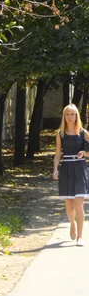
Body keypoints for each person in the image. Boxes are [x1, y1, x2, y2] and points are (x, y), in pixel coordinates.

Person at [53, 104, 89, 246]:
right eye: (67, 114)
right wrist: (55, 169)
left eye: (72, 114)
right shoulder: (60, 134)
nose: (70, 117)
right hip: (66, 168)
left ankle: (80, 237)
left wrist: (85, 153)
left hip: (80, 168)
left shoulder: (83, 133)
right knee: (69, 208)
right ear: (64, 116)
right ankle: (72, 223)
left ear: (76, 116)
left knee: (79, 206)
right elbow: (57, 154)